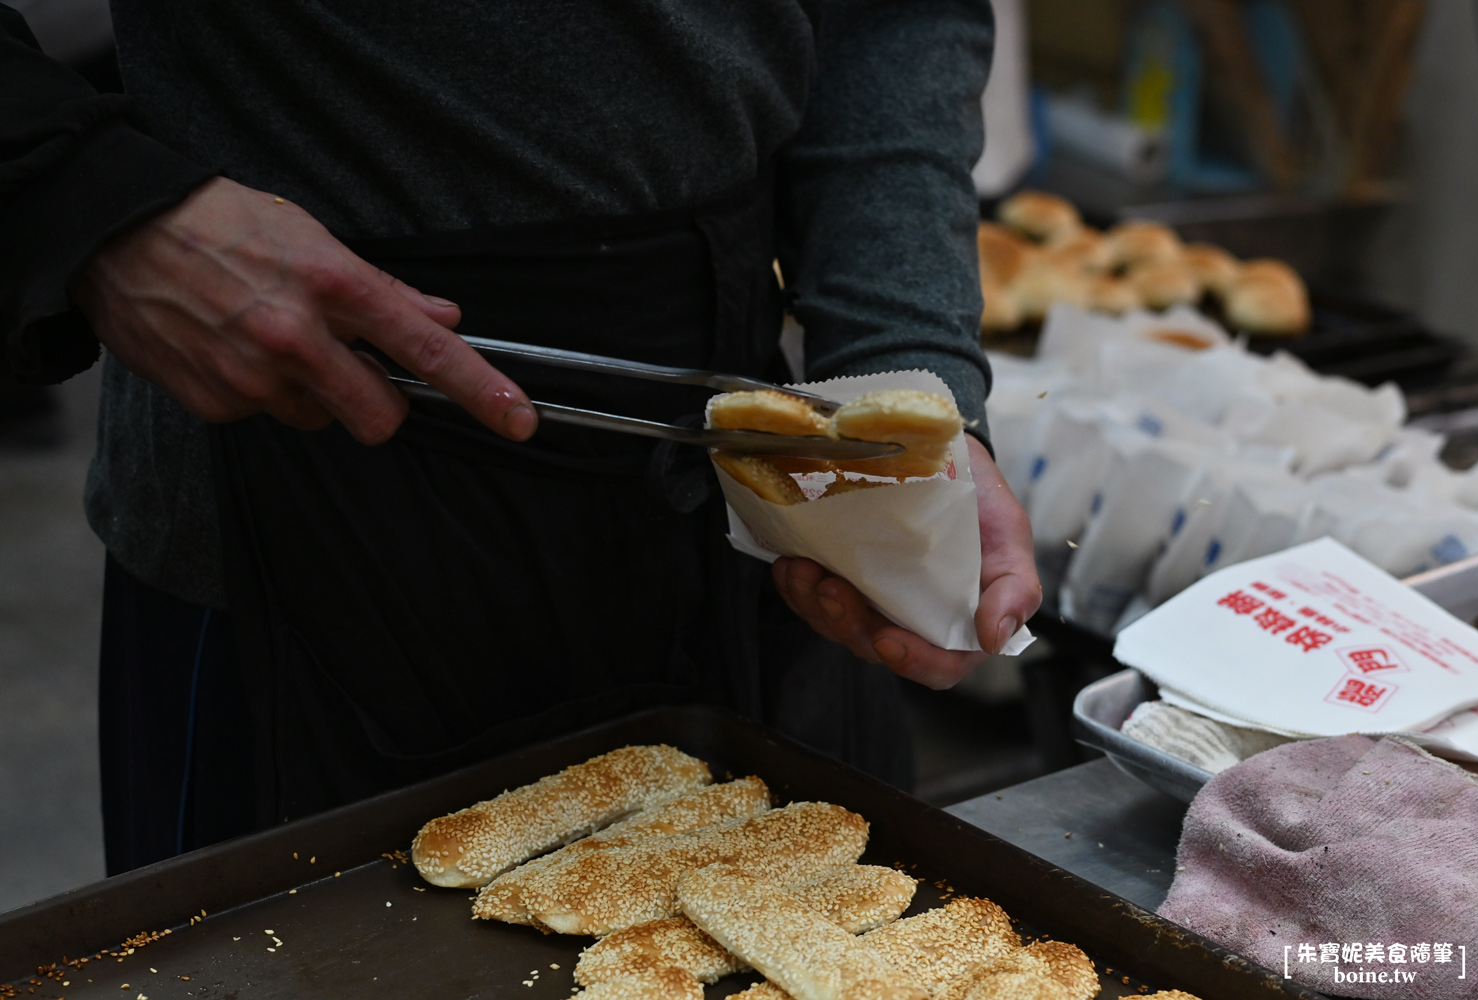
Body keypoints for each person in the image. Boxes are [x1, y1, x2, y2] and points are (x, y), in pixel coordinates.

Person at [0, 0, 1041, 873]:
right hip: (298, 464)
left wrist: (908, 385)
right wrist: (85, 197)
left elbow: (885, 19)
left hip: (743, 477)